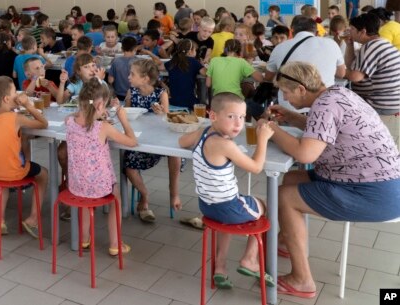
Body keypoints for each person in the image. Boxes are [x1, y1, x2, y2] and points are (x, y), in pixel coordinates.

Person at [263, 62, 400, 299]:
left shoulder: (325, 105)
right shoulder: (337, 94)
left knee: (285, 196)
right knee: (292, 178)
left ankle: (302, 280)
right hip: (380, 183)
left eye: (287, 92)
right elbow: (325, 130)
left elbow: (305, 154)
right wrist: (293, 118)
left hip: (373, 193)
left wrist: (271, 130)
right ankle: (287, 241)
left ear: (302, 89)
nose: (284, 97)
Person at [179, 92, 275, 290]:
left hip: (207, 206)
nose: (238, 123)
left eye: (242, 117)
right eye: (231, 117)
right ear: (213, 116)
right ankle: (249, 259)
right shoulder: (226, 144)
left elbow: (182, 142)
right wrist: (263, 139)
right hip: (229, 207)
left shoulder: (204, 132)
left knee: (228, 216)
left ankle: (220, 267)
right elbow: (256, 168)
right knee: (268, 206)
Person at [66, 78, 137, 255]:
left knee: (84, 200)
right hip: (100, 186)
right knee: (116, 196)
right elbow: (132, 142)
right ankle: (115, 243)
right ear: (100, 105)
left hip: (76, 184)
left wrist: (97, 114)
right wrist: (123, 120)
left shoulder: (70, 121)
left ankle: (84, 239)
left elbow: (78, 117)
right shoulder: (103, 127)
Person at [0, 76, 48, 237]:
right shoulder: (16, 118)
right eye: (14, 92)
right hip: (13, 172)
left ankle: (1, 221)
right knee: (43, 174)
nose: (17, 94)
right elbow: (43, 124)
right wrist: (28, 105)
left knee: (2, 182)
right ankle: (33, 218)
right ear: (6, 99)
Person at [124, 59, 182, 223]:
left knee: (175, 154)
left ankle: (174, 193)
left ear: (145, 79)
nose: (128, 77)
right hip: (139, 141)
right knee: (129, 166)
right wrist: (119, 108)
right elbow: (127, 115)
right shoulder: (132, 92)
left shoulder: (160, 94)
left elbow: (168, 120)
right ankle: (144, 195)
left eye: (132, 74)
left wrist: (162, 114)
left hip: (159, 141)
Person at [265, 15, 346, 111]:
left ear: (292, 31)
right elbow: (341, 73)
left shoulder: (280, 47)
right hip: (323, 107)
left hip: (289, 108)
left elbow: (268, 77)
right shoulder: (331, 44)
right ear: (316, 32)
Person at [345, 12, 400, 146]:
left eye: (351, 29)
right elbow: (351, 66)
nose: (349, 31)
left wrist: (336, 71)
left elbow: (355, 77)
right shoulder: (378, 43)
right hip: (390, 101)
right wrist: (349, 45)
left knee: (342, 110)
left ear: (362, 31)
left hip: (381, 104)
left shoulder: (371, 47)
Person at [167, 39, 205, 110]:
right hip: (189, 102)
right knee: (202, 102)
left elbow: (160, 66)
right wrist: (202, 65)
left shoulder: (173, 61)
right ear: (190, 51)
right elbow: (205, 73)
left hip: (173, 101)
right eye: (195, 50)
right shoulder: (194, 62)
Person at [108, 37, 138, 101]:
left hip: (119, 95)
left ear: (122, 49)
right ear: (135, 48)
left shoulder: (116, 61)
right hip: (135, 94)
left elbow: (111, 80)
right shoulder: (139, 62)